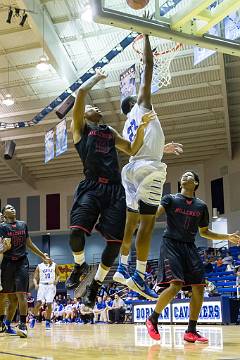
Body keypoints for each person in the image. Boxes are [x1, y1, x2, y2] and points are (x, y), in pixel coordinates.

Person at [65, 68, 156, 308]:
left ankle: (95, 286)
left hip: (115, 190)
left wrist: (144, 128)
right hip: (91, 186)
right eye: (91, 108)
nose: (97, 108)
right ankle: (79, 265)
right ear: (84, 115)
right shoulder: (80, 130)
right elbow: (82, 92)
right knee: (75, 232)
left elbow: (132, 149)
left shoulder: (109, 131)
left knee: (115, 243)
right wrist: (97, 77)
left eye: (98, 108)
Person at [113, 31, 183, 300]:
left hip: (131, 168)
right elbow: (149, 70)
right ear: (134, 101)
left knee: (131, 223)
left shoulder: (128, 123)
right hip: (148, 169)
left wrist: (161, 149)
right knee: (148, 222)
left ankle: (121, 266)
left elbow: (138, 144)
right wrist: (147, 39)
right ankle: (139, 275)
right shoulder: (141, 104)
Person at [145, 170, 240, 343]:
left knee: (199, 288)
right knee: (175, 286)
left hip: (190, 247)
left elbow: (204, 232)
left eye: (189, 175)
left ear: (195, 183)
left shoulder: (201, 206)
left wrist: (227, 237)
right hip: (171, 244)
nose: (185, 176)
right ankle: (153, 319)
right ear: (181, 183)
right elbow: (153, 216)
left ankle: (191, 330)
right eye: (183, 175)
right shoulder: (170, 199)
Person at [0, 204, 50, 337]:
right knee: (10, 298)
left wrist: (42, 255)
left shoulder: (23, 225)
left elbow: (29, 243)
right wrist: (3, 247)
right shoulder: (2, 227)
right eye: (8, 208)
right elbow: (2, 247)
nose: (12, 209)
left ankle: (23, 324)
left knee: (21, 295)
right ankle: (5, 323)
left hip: (22, 263)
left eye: (13, 207)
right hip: (7, 264)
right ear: (4, 214)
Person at [30, 256, 59, 329]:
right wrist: (36, 284)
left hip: (51, 285)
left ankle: (48, 321)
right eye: (44, 256)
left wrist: (56, 280)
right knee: (39, 303)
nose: (45, 257)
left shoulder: (54, 265)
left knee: (49, 303)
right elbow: (34, 278)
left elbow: (58, 274)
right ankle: (33, 318)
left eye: (47, 256)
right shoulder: (39, 266)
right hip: (42, 285)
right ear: (42, 258)